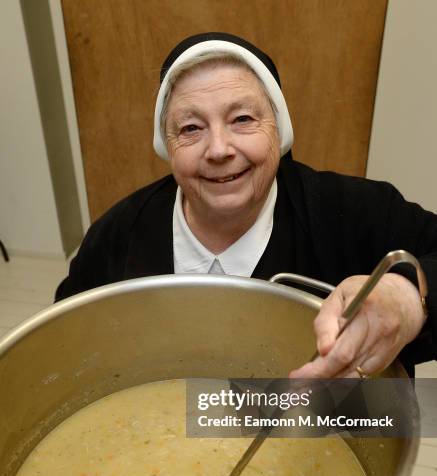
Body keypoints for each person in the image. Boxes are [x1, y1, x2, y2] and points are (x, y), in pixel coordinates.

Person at [55, 32, 437, 378]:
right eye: (191, 128)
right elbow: (66, 339)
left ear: (279, 128)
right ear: (167, 147)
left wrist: (408, 298)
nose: (219, 149)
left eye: (242, 119)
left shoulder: (353, 212)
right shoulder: (118, 234)